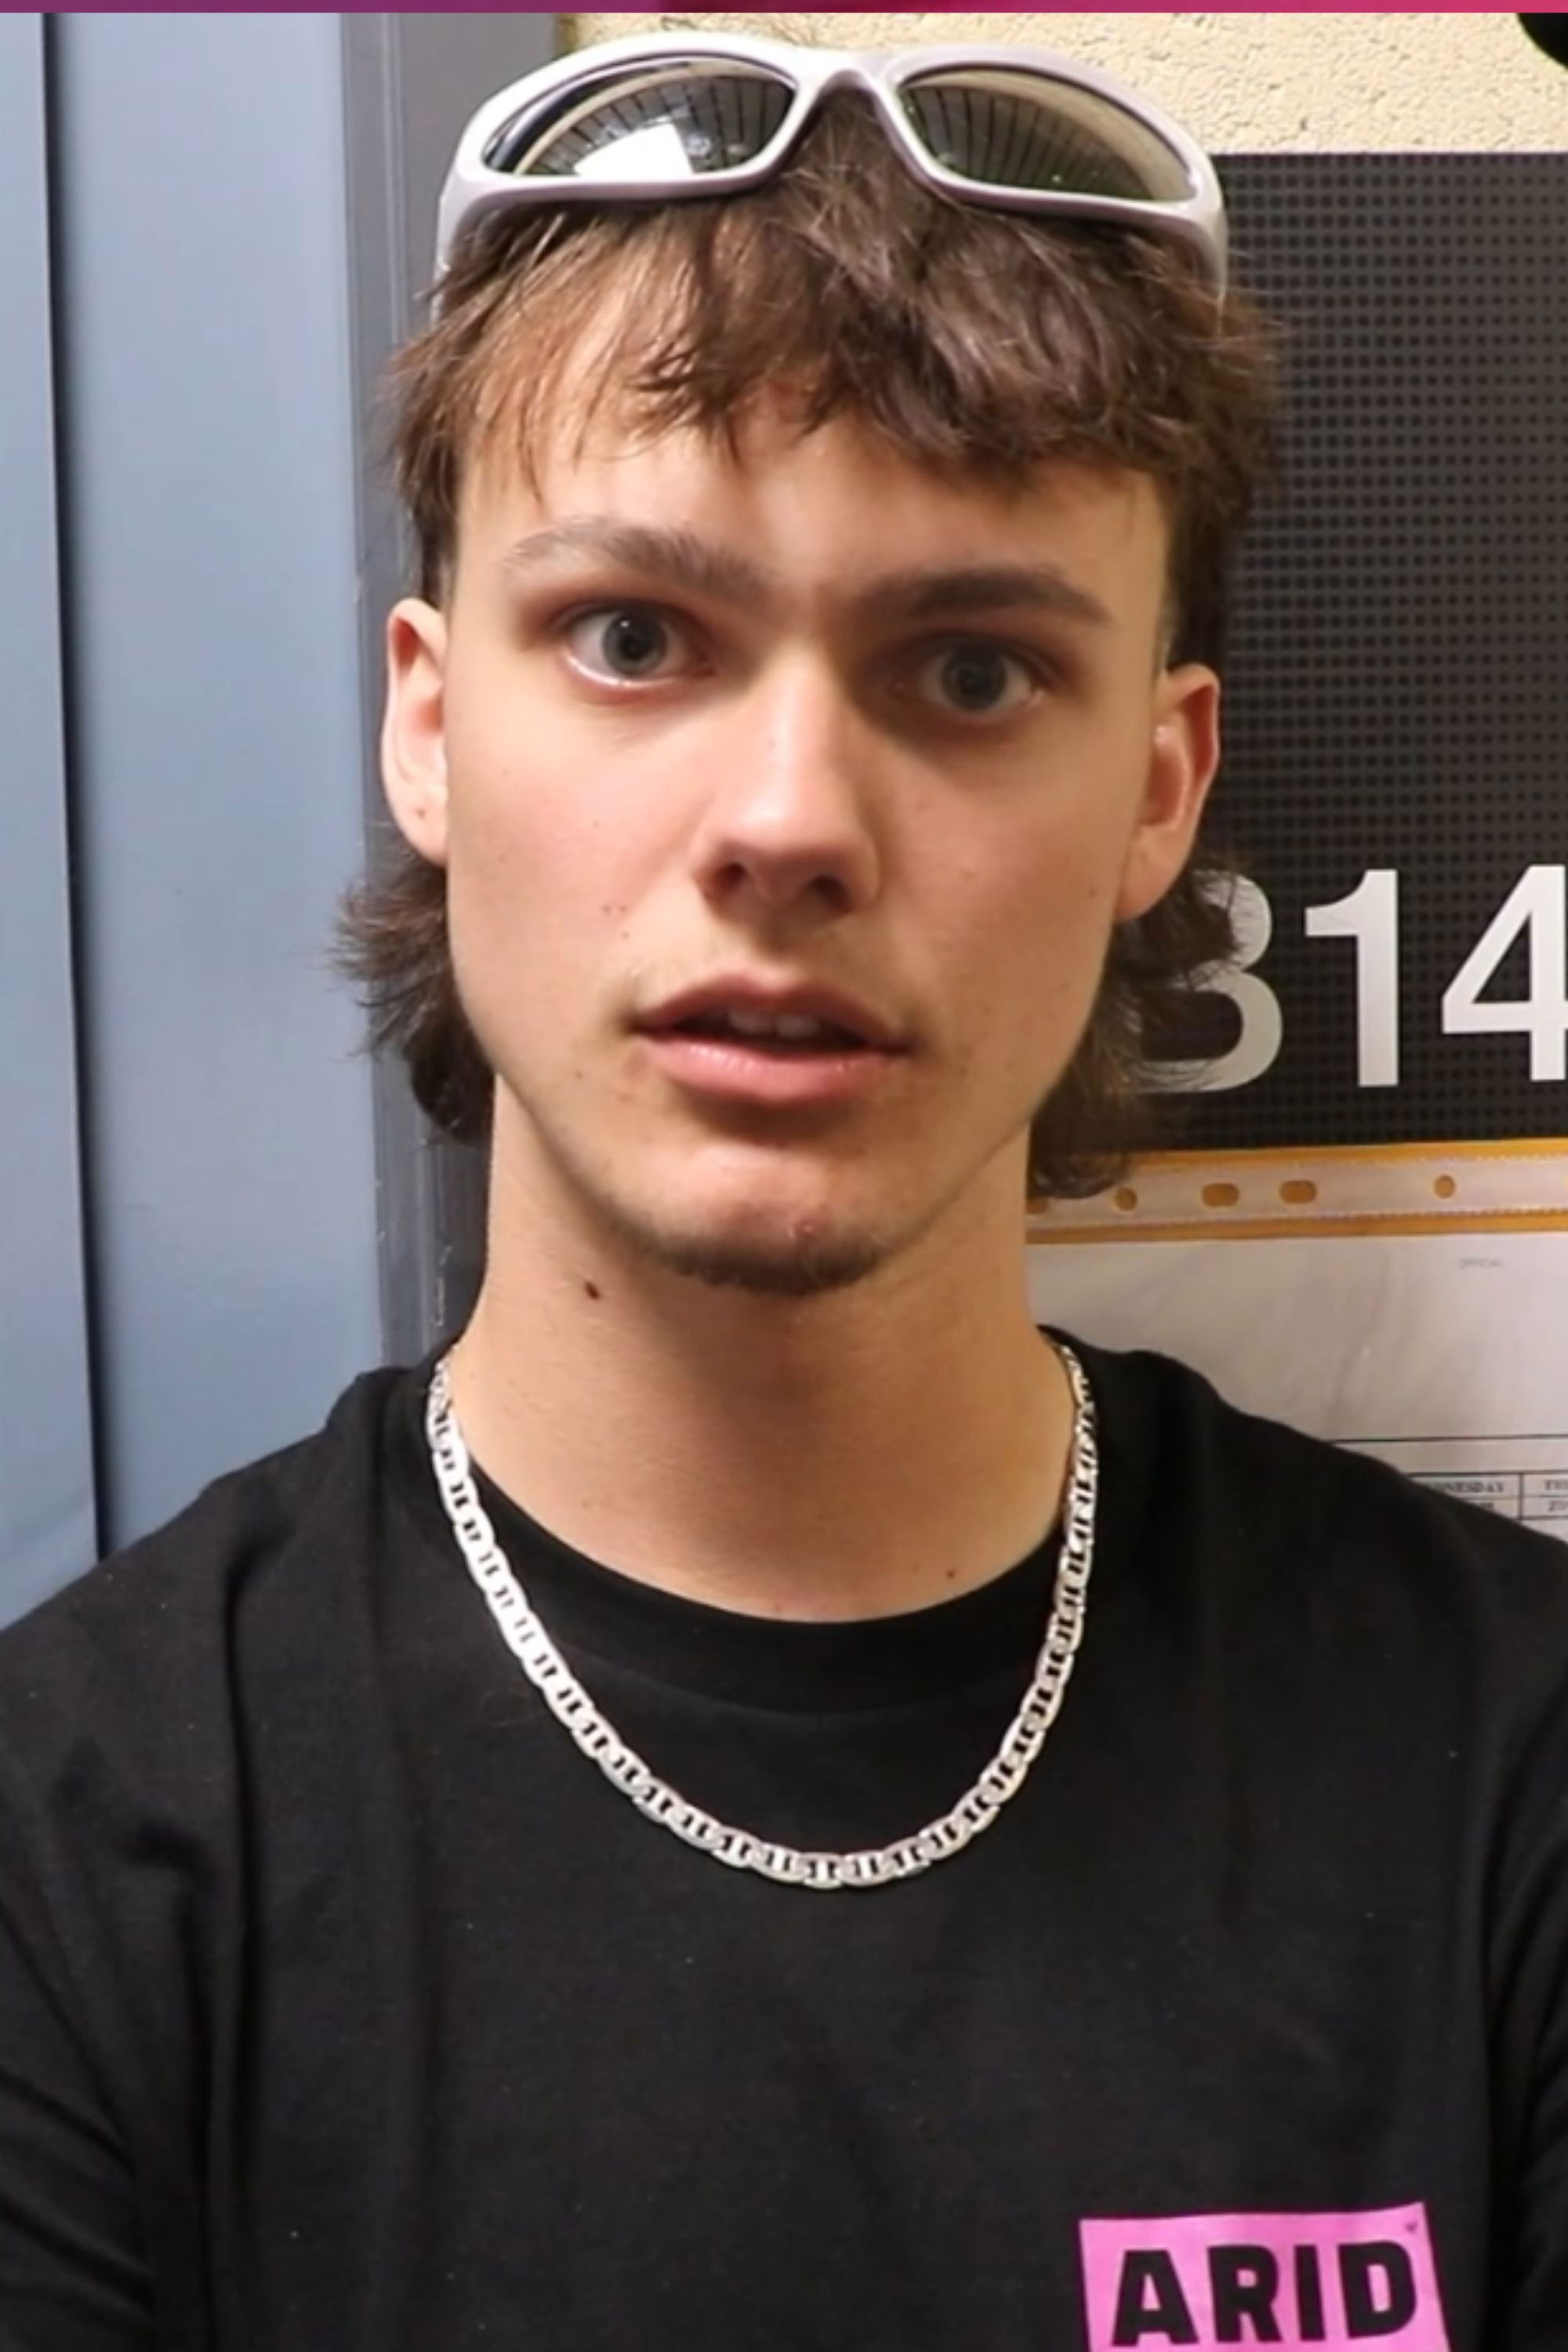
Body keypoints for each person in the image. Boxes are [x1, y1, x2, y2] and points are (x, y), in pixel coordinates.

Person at [1, 31, 1565, 2351]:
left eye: (971, 669)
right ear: (431, 722)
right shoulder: (73, 1854)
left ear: (1157, 791)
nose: (790, 821)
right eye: (634, 639)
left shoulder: (1511, 1768)